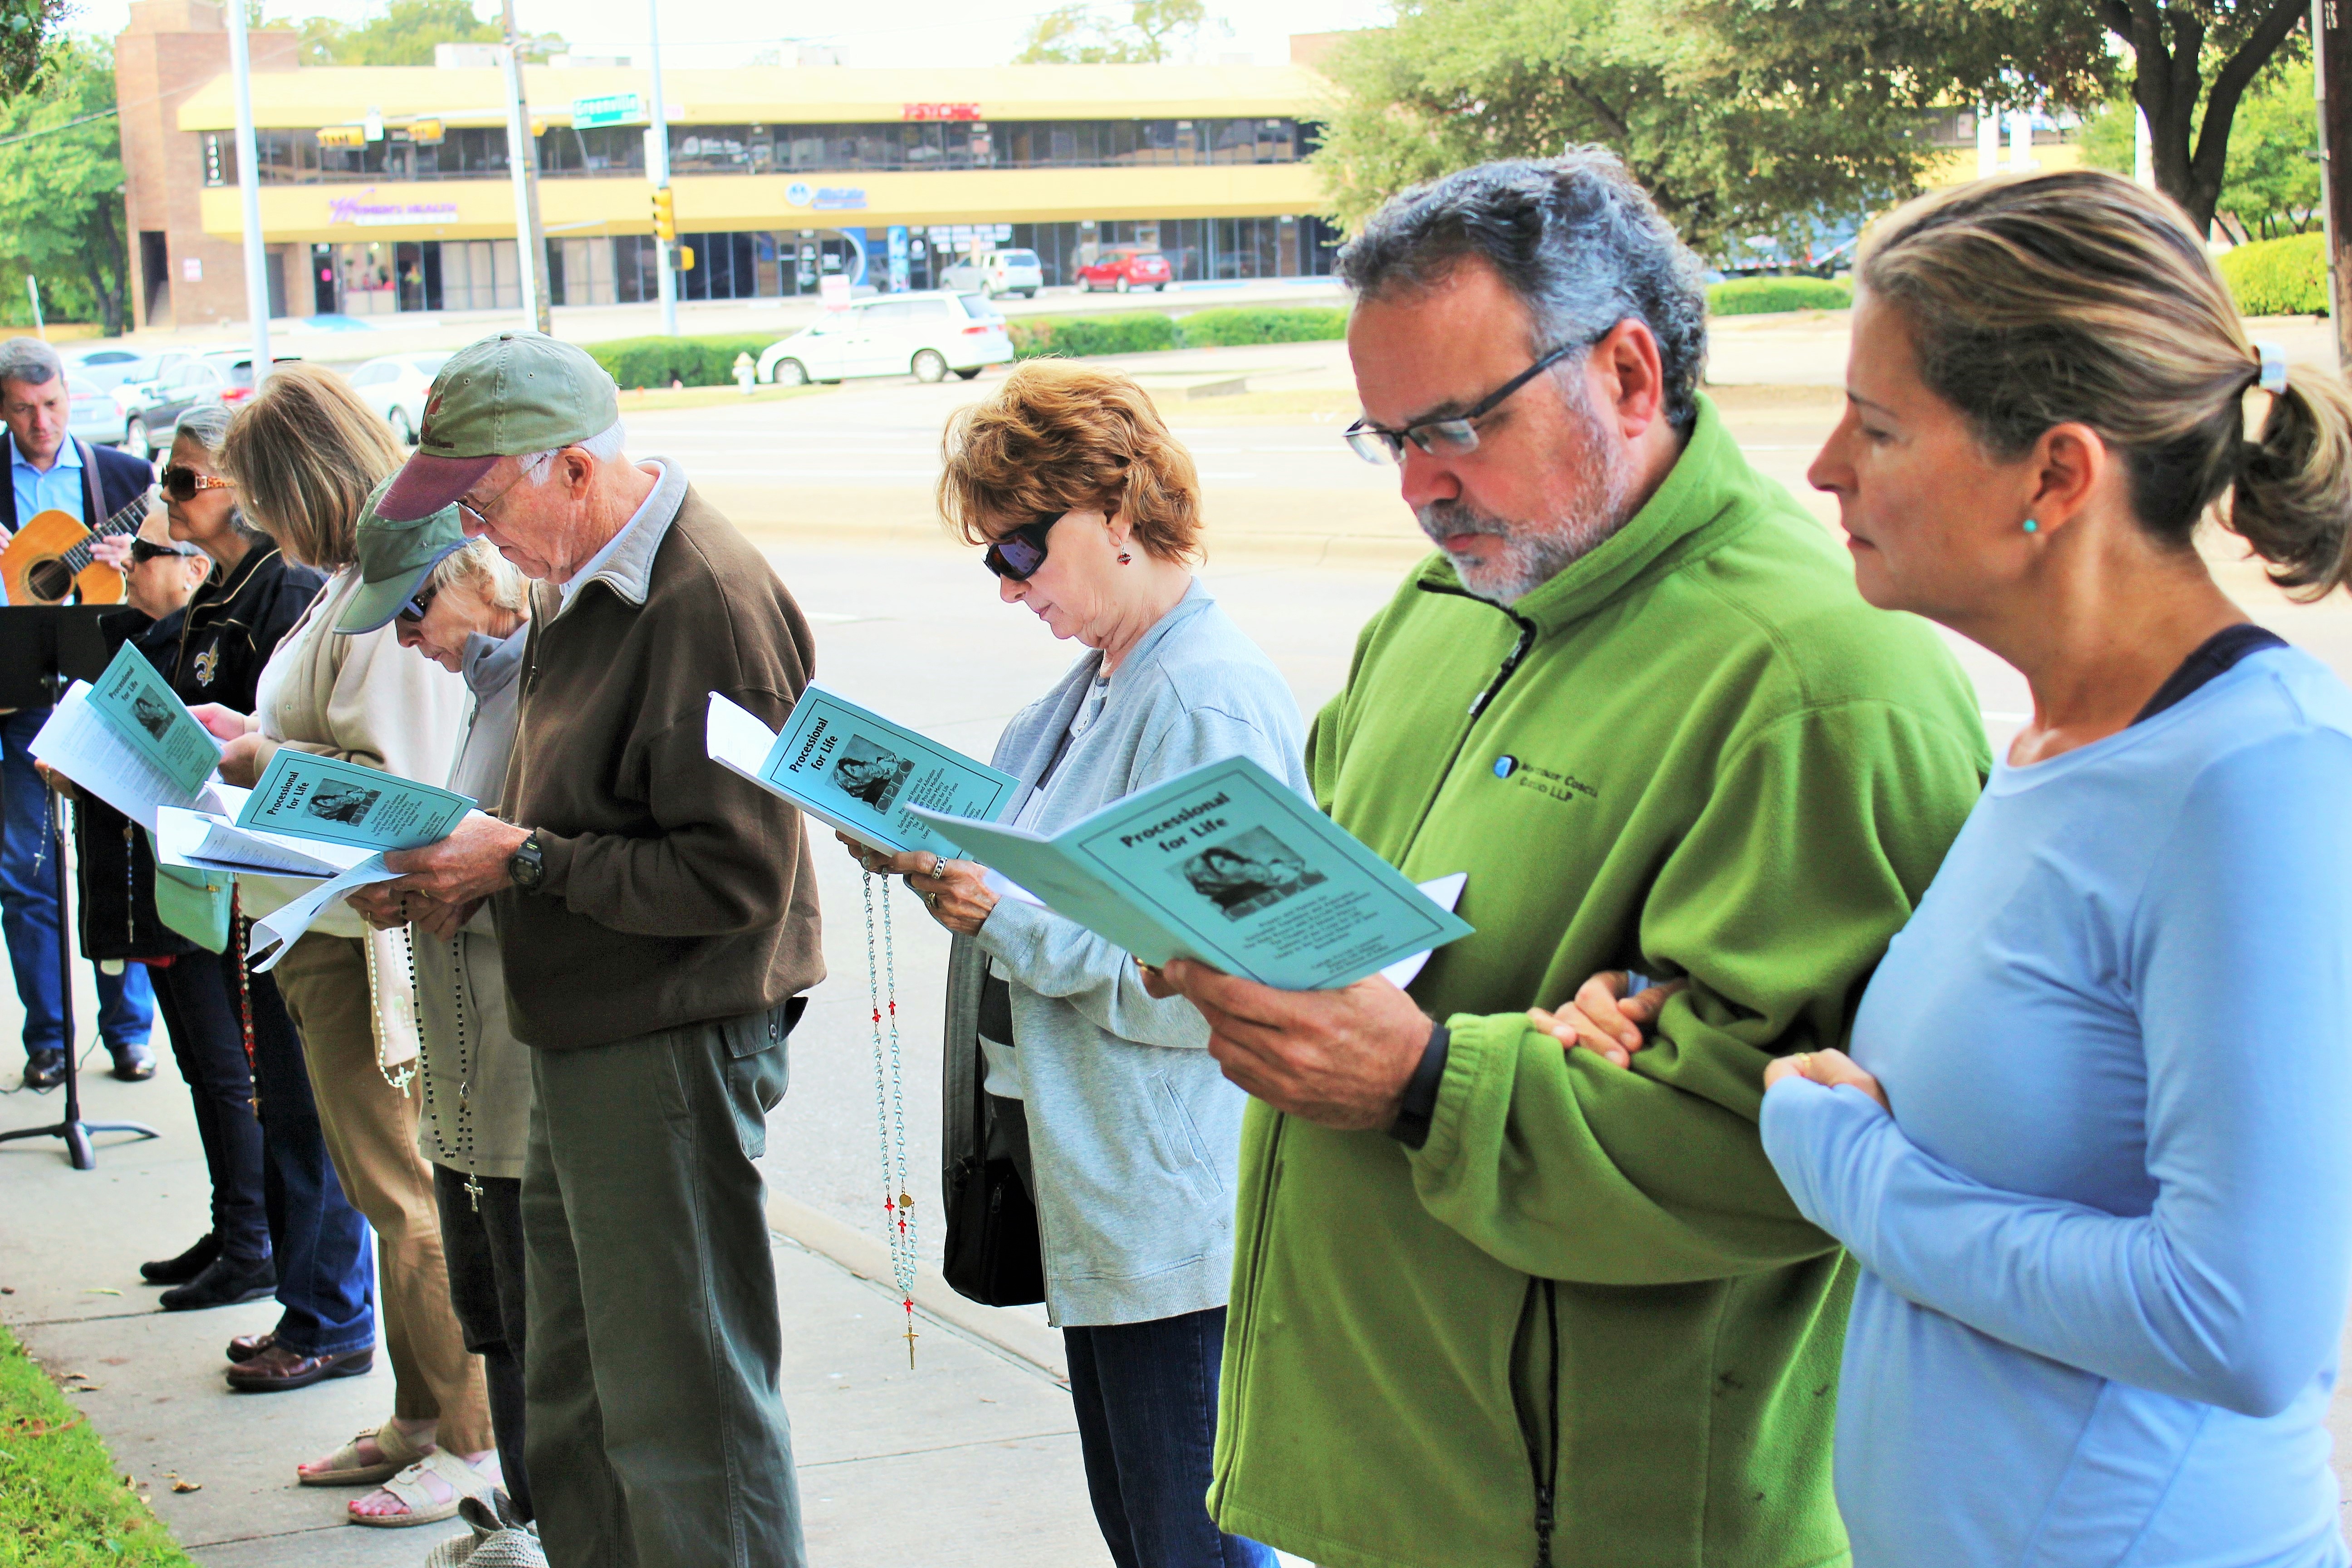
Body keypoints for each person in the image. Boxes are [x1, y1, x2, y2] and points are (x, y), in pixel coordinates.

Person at [1138, 153, 1992, 1568]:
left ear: (1631, 374)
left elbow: (1790, 1148)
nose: (1420, 486)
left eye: (1458, 425)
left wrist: (1420, 1082)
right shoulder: (1450, 605)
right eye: (1385, 438)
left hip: (1604, 1511)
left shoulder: (1816, 679)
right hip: (1380, 1470)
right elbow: (1351, 908)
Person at [1739, 172, 2352, 1566]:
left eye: (1879, 426)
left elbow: (2240, 1321)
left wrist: (1856, 1174)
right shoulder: (2056, 745)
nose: (1826, 465)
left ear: (2058, 475)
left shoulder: (2253, 782)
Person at [373, 329, 822, 1568]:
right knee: (572, 1386)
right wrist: (450, 872)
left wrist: (519, 863)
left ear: (571, 468)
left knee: (684, 1403)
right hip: (583, 1027)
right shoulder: (583, 578)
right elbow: (556, 805)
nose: (474, 531)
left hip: (668, 1038)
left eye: (482, 497)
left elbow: (734, 873)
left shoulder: (701, 598)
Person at [852, 360, 1289, 1568]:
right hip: (1106, 1198)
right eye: (992, 555)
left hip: (1171, 1211)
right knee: (1153, 1535)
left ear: (1119, 507)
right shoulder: (1093, 687)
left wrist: (997, 908)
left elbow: (1220, 989)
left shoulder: (1205, 699)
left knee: (1191, 1543)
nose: (1007, 586)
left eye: (1022, 549)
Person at [196, 365, 492, 1528]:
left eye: (262, 495)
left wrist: (255, 763)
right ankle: (423, 1413)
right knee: (382, 1195)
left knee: (408, 1194)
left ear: (305, 481)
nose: (255, 523)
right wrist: (252, 736)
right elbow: (322, 746)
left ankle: (470, 1442)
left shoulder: (395, 596)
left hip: (365, 935)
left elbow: (398, 790)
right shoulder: (347, 590)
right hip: (314, 924)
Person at [340, 508, 548, 1562]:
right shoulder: (490, 684)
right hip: (470, 1069)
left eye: (420, 608)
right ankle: (523, 1513)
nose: (411, 638)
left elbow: (544, 856)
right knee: (494, 1315)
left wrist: (463, 875)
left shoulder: (543, 673)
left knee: (528, 1318)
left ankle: (547, 1524)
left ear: (494, 578)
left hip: (521, 1064)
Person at [68, 505, 283, 1311]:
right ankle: (231, 1226)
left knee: (228, 1073)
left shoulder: (208, 639)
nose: (126, 558)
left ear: (193, 567)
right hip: (155, 889)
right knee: (201, 1068)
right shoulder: (147, 637)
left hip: (193, 888)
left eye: (147, 550)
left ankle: (251, 1237)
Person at [0, 335, 158, 1086]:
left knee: (119, 858)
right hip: (15, 699)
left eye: (54, 404)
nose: (43, 422)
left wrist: (135, 562)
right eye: (25, 410)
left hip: (102, 692)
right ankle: (50, 1038)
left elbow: (176, 573)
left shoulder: (124, 479)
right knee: (25, 867)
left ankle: (127, 1031)